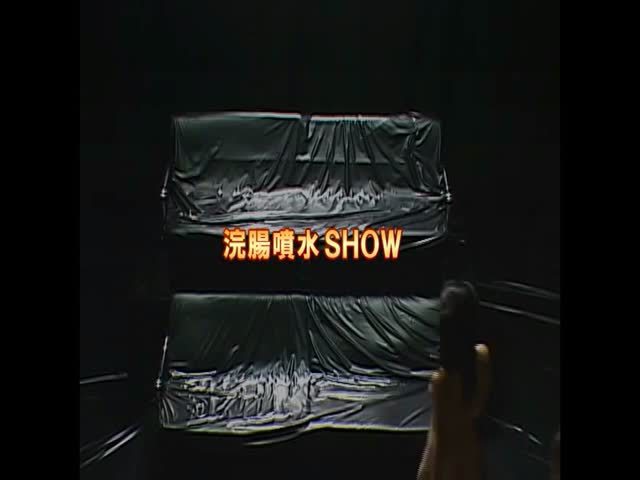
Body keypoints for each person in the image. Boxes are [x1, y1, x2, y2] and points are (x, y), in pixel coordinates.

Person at [417, 281, 491, 480]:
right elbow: (478, 409)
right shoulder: (482, 356)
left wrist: (433, 474)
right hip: (471, 453)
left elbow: (440, 438)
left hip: (446, 462)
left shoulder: (442, 380)